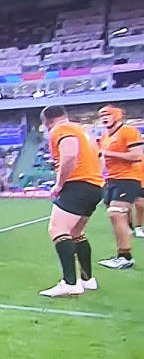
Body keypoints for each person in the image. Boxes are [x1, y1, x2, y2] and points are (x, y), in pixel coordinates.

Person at [38, 106, 103, 297]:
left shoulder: (61, 130)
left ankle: (70, 283)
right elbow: (100, 158)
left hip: (77, 185)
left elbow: (70, 155)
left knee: (58, 229)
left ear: (47, 121)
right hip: (94, 185)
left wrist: (59, 184)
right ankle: (87, 279)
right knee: (76, 232)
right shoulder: (84, 131)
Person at [96, 105, 143, 269]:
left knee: (116, 213)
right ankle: (122, 253)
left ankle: (125, 256)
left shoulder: (128, 131)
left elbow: (137, 155)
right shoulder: (104, 137)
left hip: (128, 178)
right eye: (101, 114)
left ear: (117, 115)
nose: (103, 117)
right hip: (112, 179)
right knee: (116, 217)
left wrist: (109, 154)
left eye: (107, 114)